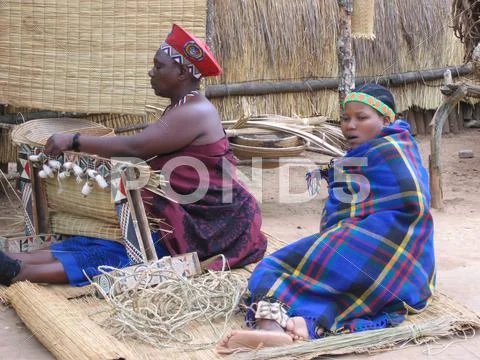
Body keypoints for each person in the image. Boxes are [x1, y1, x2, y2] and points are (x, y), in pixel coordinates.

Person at [0, 24, 267, 287]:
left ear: (182, 72)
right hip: (184, 211)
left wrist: (74, 140)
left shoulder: (195, 111)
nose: (151, 72)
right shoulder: (183, 107)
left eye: (159, 66)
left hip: (210, 225)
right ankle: (15, 259)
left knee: (125, 250)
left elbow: (137, 148)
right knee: (109, 237)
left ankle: (20, 272)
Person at [217, 83, 435, 353]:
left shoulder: (394, 152)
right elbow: (348, 211)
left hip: (398, 256)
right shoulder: (365, 154)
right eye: (345, 118)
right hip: (370, 247)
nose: (349, 126)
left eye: (361, 118)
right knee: (315, 273)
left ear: (386, 119)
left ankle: (281, 324)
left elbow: (409, 208)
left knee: (276, 267)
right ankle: (287, 327)